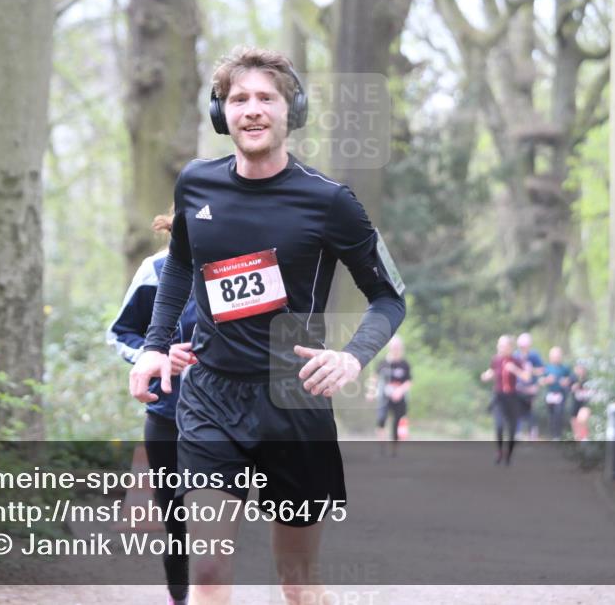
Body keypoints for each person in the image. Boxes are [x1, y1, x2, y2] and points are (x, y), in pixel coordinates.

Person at [128, 47, 406, 605]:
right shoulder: (196, 185)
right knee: (208, 573)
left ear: (290, 111)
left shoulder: (330, 202)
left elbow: (388, 297)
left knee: (297, 585)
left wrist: (352, 356)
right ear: (221, 114)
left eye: (265, 98)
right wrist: (155, 346)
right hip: (211, 396)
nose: (251, 110)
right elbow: (181, 263)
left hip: (292, 400)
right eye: (238, 99)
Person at [107, 212, 198, 605]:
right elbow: (120, 333)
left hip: (228, 416)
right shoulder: (155, 270)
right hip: (167, 417)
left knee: (217, 515)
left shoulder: (240, 271)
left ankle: (210, 592)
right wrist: (156, 353)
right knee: (174, 519)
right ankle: (179, 597)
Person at [481, 335, 530, 465]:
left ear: (510, 347)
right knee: (499, 425)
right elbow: (491, 372)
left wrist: (514, 370)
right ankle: (499, 452)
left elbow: (526, 377)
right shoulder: (496, 360)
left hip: (513, 397)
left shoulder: (516, 360)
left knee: (512, 429)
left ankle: (509, 454)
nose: (500, 348)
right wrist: (486, 375)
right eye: (499, 345)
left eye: (503, 346)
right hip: (499, 397)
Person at [373, 335, 412, 455]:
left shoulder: (404, 364)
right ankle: (382, 448)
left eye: (398, 346)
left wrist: (399, 391)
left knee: (397, 423)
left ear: (401, 348)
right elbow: (374, 378)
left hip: (399, 398)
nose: (395, 349)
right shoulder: (383, 363)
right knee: (381, 420)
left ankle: (395, 450)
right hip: (384, 398)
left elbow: (409, 381)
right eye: (393, 346)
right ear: (389, 347)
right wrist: (372, 391)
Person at [514, 332, 544, 440]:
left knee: (530, 410)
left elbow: (542, 370)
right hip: (519, 388)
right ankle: (517, 432)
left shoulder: (534, 355)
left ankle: (533, 432)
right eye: (521, 345)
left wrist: (532, 371)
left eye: (525, 345)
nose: (523, 348)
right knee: (517, 409)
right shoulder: (516, 355)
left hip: (531, 388)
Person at [541, 346, 572, 440]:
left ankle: (558, 435)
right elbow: (541, 381)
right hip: (550, 395)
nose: (556, 358)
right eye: (554, 356)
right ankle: (552, 434)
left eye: (558, 356)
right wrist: (547, 380)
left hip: (561, 395)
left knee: (559, 414)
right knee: (551, 416)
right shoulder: (547, 368)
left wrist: (566, 381)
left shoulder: (565, 368)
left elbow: (571, 379)